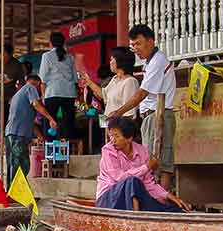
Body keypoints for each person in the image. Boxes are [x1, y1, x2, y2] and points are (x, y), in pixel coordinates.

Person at [107, 24, 177, 191]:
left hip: (159, 115)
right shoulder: (150, 62)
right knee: (150, 161)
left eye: (138, 44)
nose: (136, 49)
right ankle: (154, 199)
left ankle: (161, 202)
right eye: (133, 45)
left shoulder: (158, 61)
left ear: (150, 41)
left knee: (162, 161)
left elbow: (142, 93)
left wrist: (118, 113)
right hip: (150, 116)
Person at [96, 117, 189, 212]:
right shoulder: (108, 151)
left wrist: (169, 196)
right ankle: (135, 217)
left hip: (132, 199)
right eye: (111, 135)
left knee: (173, 210)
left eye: (116, 136)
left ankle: (138, 214)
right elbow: (120, 178)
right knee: (132, 181)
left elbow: (148, 184)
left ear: (129, 138)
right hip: (108, 199)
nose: (112, 140)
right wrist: (147, 167)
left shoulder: (142, 151)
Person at [4, 75, 59, 188]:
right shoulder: (30, 88)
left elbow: (30, 121)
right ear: (38, 83)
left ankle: (14, 192)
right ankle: (16, 193)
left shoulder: (19, 94)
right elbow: (36, 104)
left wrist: (40, 136)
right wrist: (51, 119)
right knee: (21, 165)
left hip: (12, 133)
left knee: (13, 165)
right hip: (17, 134)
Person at [81, 47, 140, 131]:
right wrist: (89, 82)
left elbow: (129, 112)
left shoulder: (130, 82)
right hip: (110, 126)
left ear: (120, 61)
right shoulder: (114, 79)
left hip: (121, 129)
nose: (110, 62)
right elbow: (104, 95)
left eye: (112, 59)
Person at [38, 32, 77, 141]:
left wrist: (43, 95)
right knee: (68, 123)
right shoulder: (70, 57)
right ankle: (67, 149)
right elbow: (75, 79)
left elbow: (43, 78)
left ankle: (50, 149)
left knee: (50, 122)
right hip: (69, 93)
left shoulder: (46, 56)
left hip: (52, 93)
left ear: (50, 43)